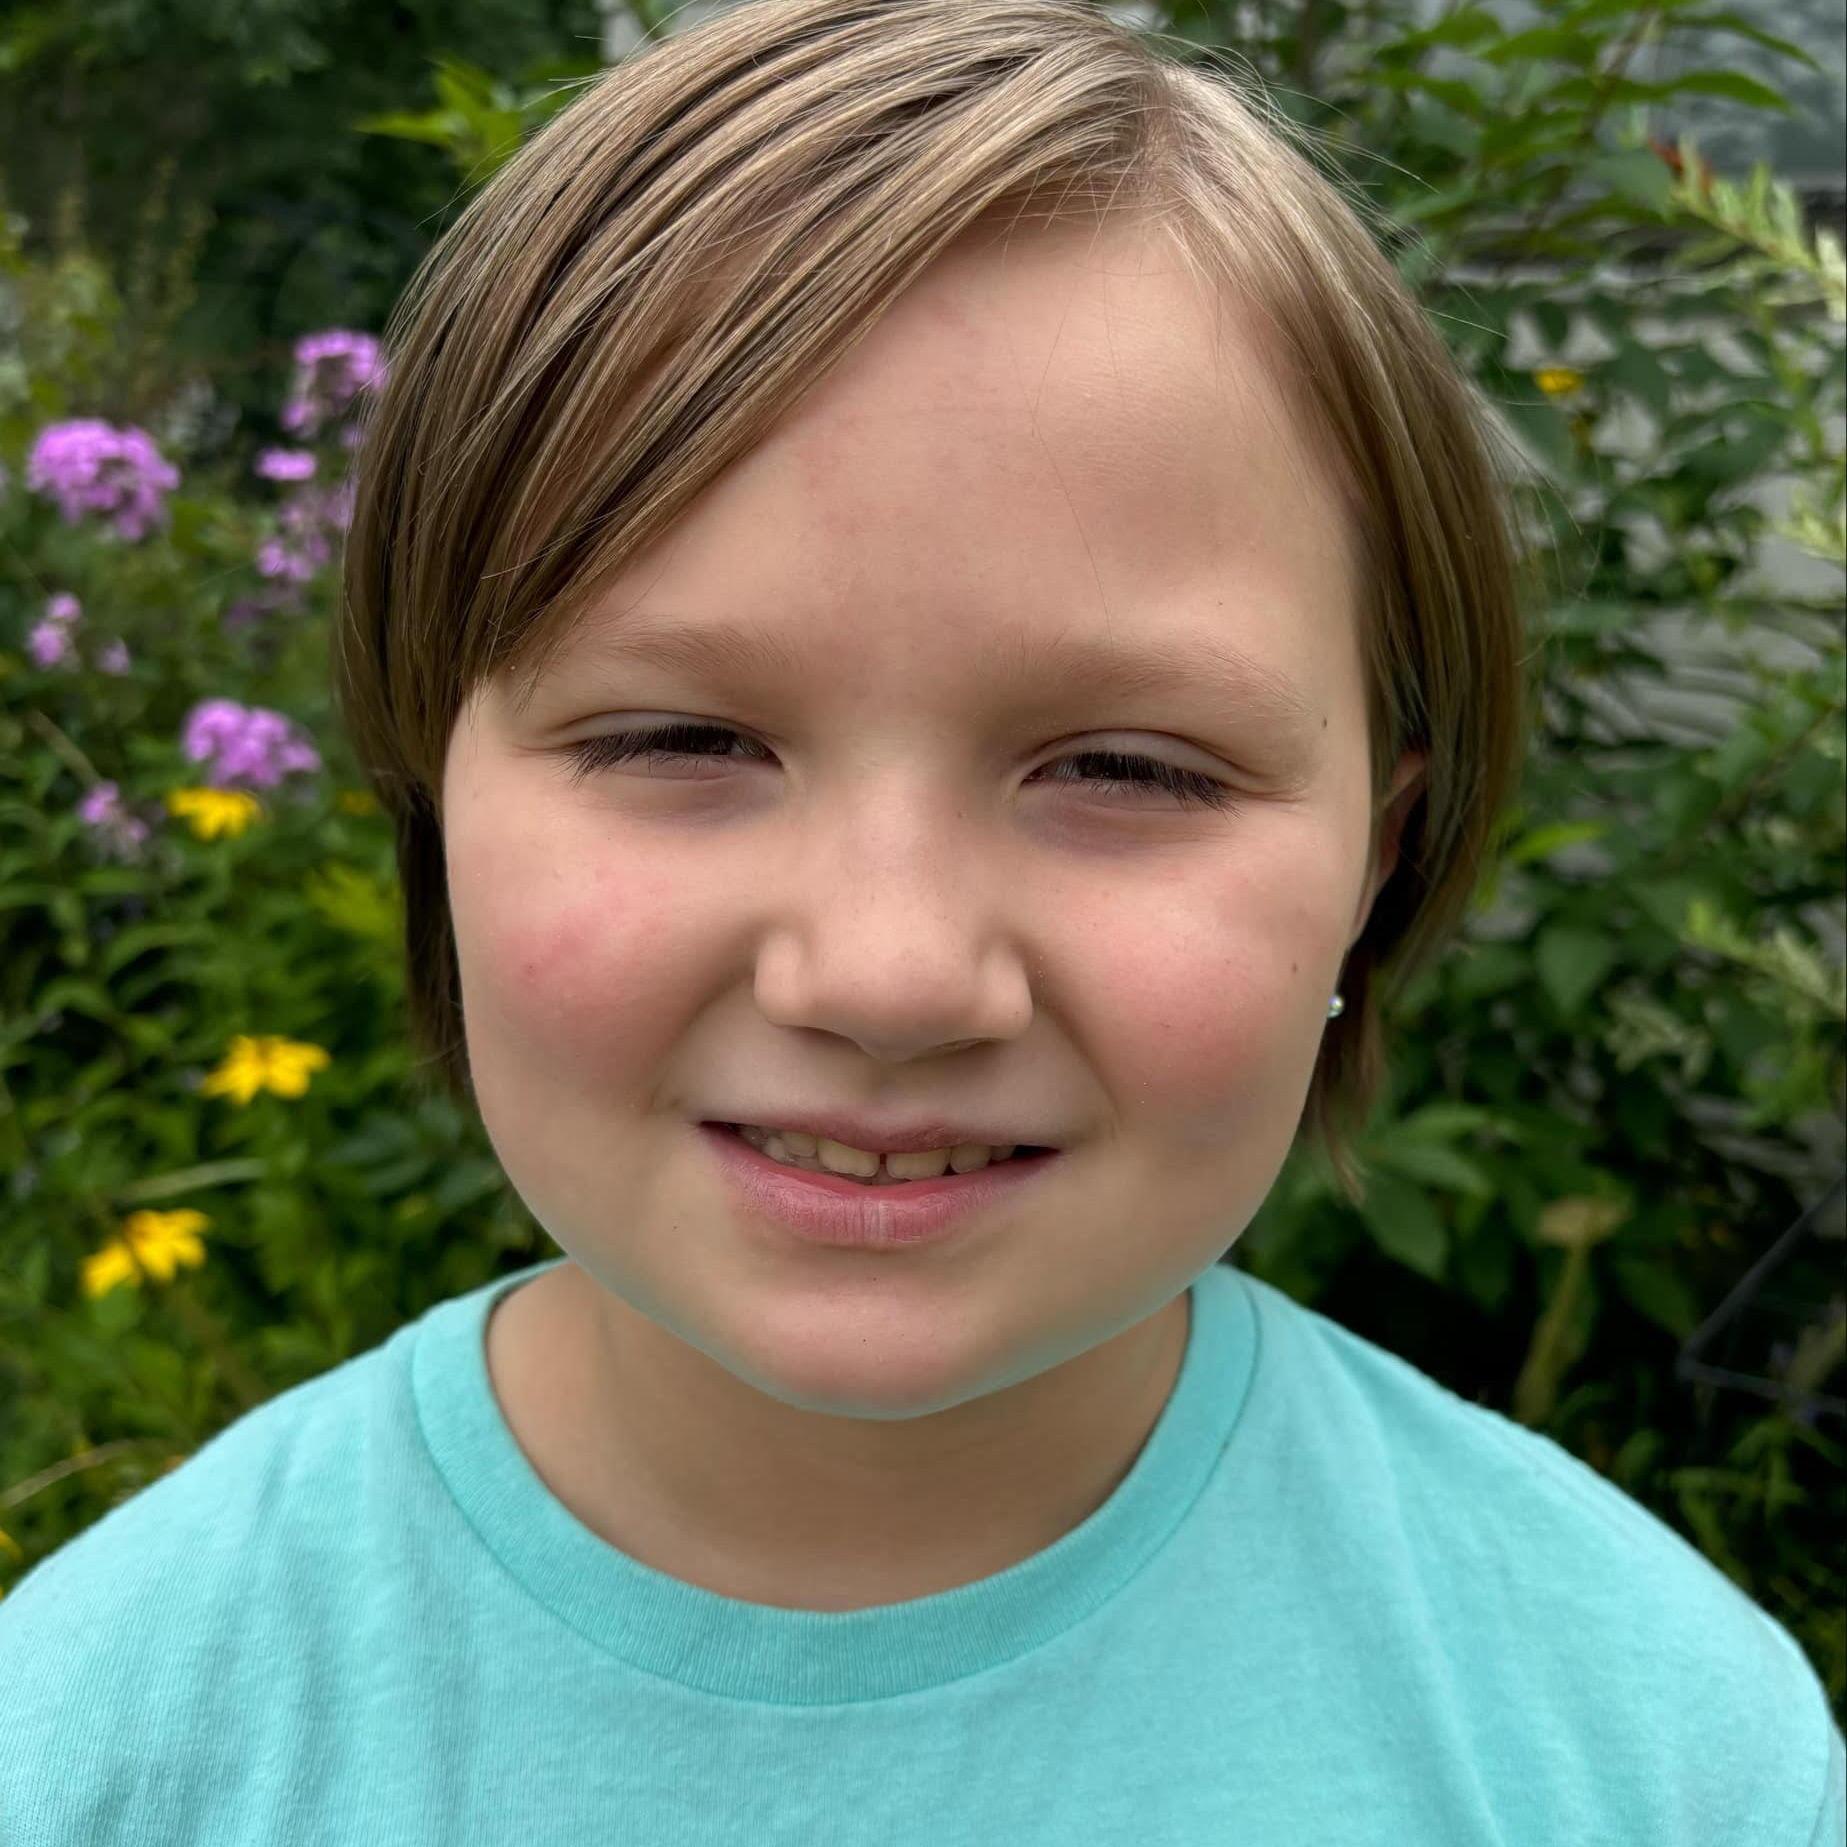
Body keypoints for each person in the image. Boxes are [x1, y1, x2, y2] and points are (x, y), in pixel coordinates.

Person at [3, 1, 1841, 1839]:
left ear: (1377, 856)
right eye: (681, 739)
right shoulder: (96, 1756)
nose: (887, 975)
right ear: (428, 791)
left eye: (1127, 768)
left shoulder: (1667, 1758)